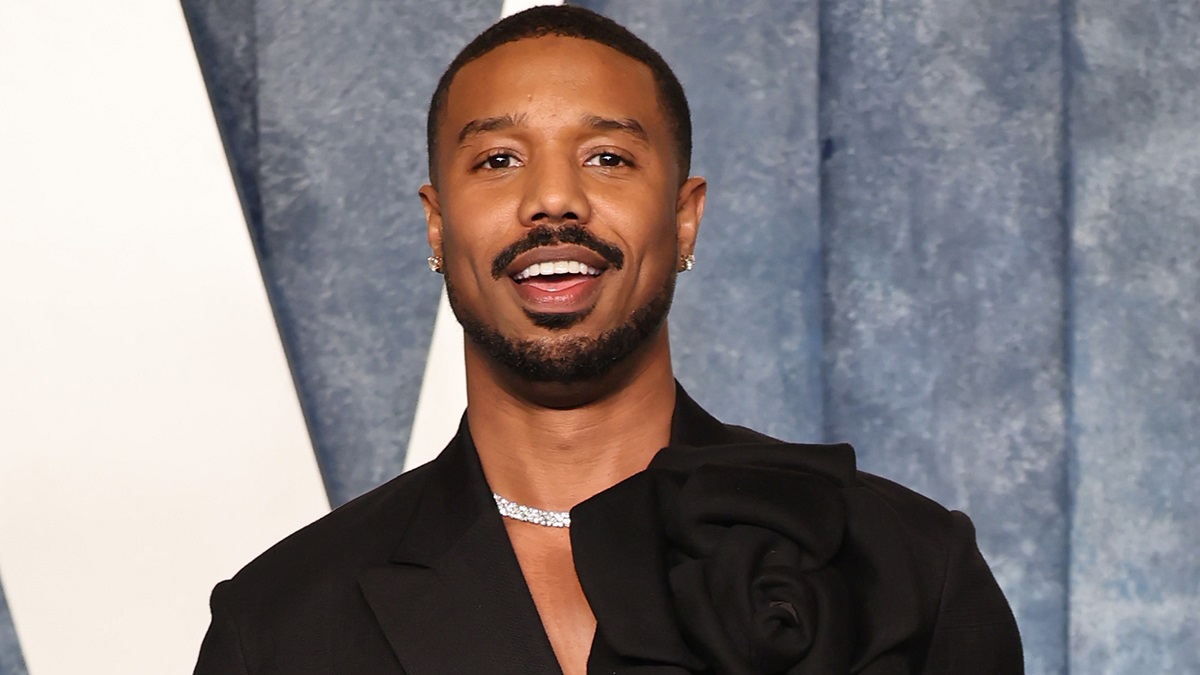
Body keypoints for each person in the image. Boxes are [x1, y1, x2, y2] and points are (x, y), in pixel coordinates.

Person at [194, 6, 1022, 674]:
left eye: (607, 157)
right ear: (438, 226)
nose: (554, 199)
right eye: (497, 160)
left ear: (685, 215)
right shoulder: (277, 624)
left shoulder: (907, 564)